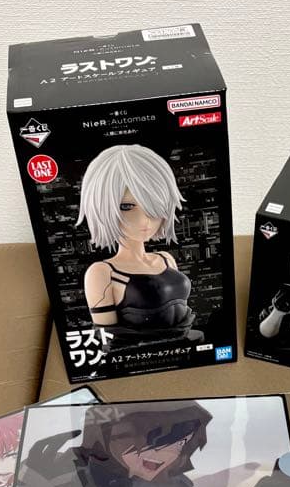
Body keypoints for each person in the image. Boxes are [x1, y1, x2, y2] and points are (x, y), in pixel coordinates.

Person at [76, 145, 201, 343]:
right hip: (141, 354)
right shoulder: (102, 272)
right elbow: (108, 340)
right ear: (102, 206)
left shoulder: (166, 259)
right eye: (127, 206)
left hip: (186, 346)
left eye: (153, 205)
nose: (145, 221)